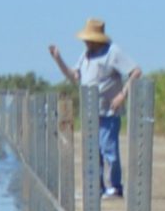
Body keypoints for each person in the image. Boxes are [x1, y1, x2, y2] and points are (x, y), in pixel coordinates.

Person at [48, 19, 141, 199]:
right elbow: (74, 76)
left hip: (108, 111)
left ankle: (115, 187)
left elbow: (135, 72)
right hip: (90, 111)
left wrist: (122, 95)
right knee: (92, 151)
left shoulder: (113, 52)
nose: (86, 42)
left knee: (109, 149)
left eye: (89, 39)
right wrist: (58, 59)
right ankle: (96, 188)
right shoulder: (86, 55)